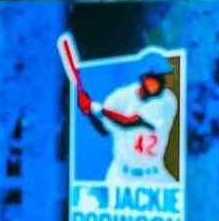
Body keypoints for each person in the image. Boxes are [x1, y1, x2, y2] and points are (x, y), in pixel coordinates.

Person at [74, 56, 179, 184]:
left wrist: (95, 107)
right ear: (143, 78)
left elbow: (129, 122)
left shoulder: (166, 101)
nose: (162, 83)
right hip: (120, 176)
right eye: (156, 78)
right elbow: (103, 130)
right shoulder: (120, 96)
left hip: (154, 175)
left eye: (163, 78)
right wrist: (88, 112)